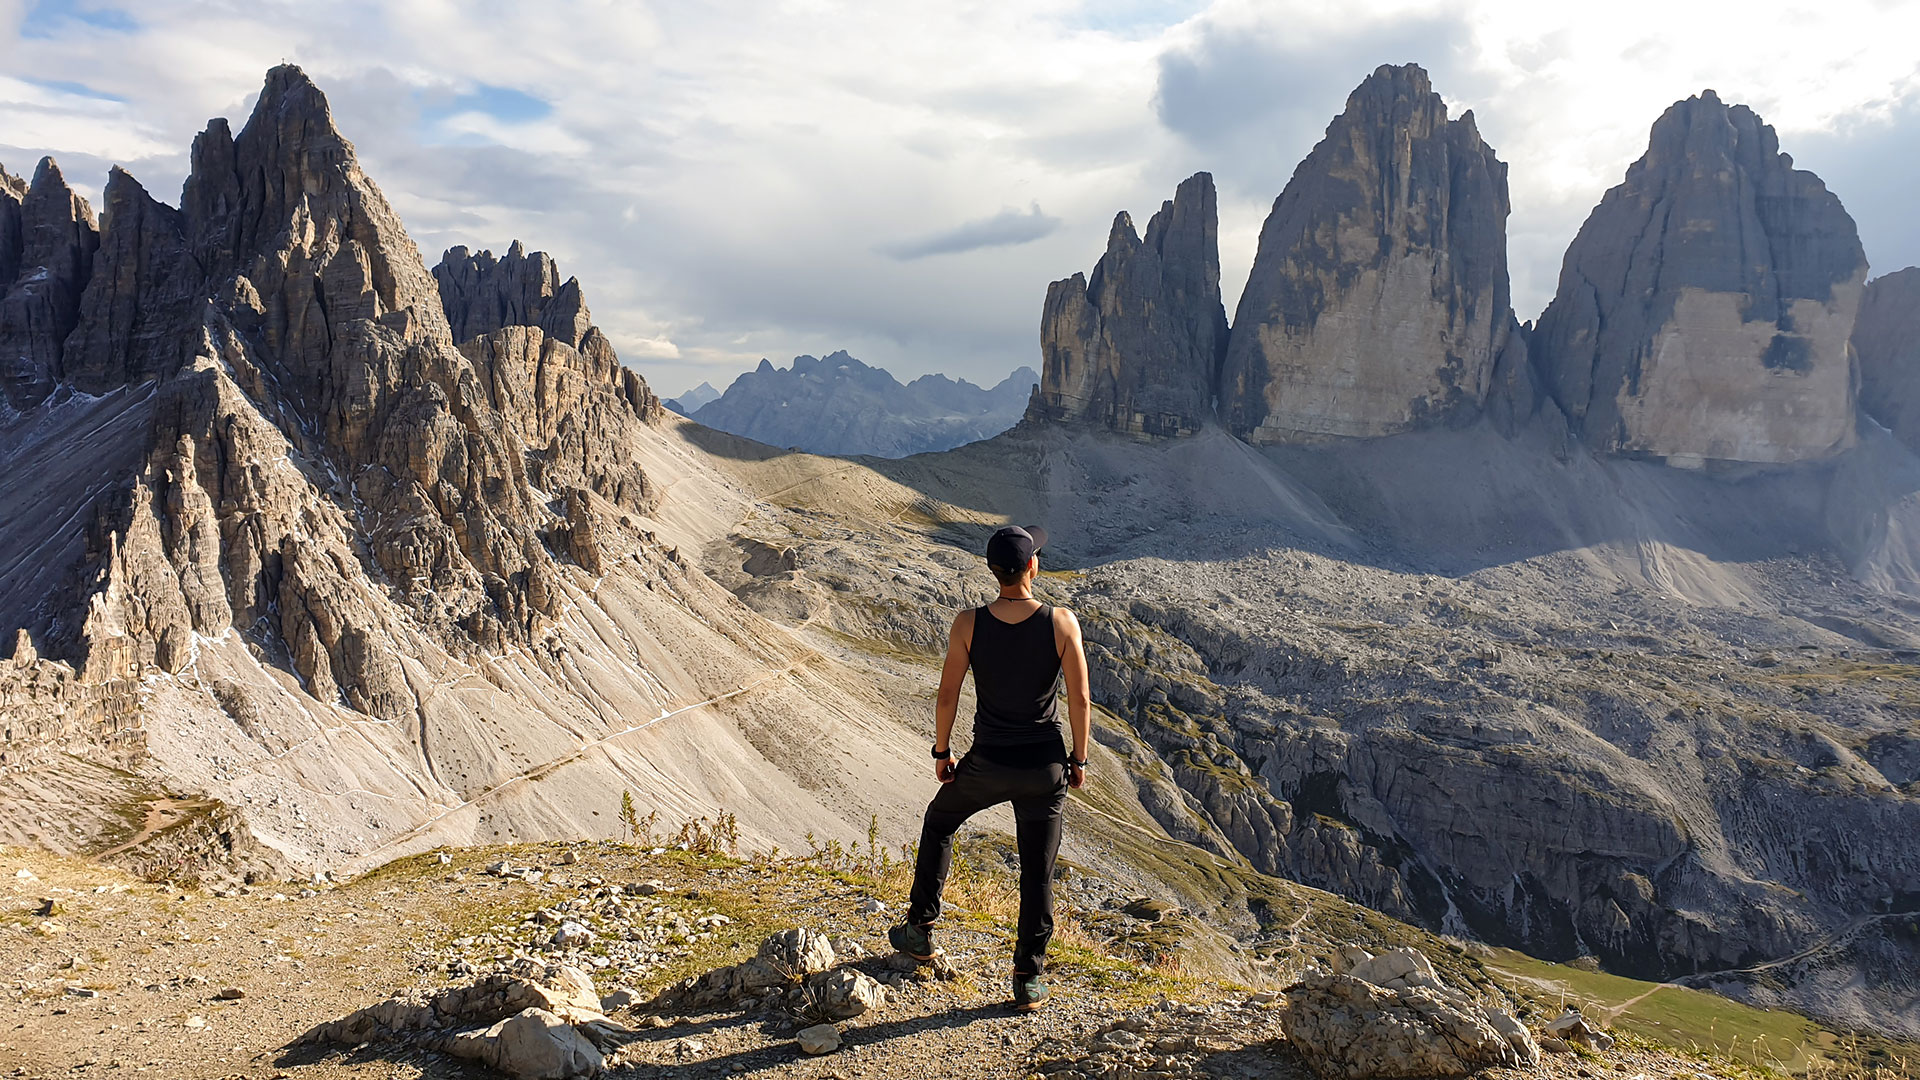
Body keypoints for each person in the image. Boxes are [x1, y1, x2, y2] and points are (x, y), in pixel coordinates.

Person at [889, 524, 1092, 1012]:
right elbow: (1081, 699)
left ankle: (920, 928)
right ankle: (1027, 978)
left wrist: (942, 753)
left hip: (988, 760)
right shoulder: (1062, 622)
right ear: (1032, 567)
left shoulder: (968, 623)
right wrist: (1079, 760)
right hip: (1043, 765)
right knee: (1036, 870)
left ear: (992, 570)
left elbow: (948, 695)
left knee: (940, 822)